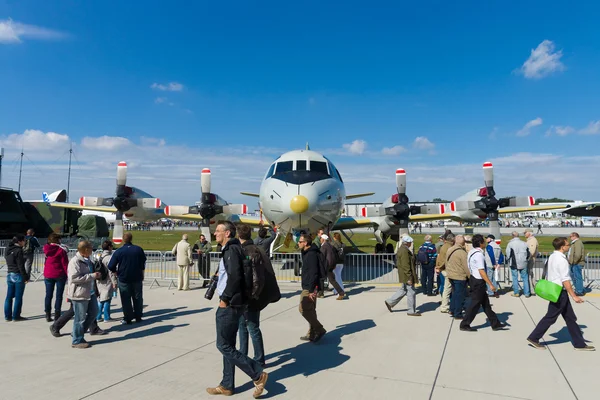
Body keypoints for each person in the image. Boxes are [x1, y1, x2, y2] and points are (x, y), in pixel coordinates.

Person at [206, 221, 268, 397]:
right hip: (236, 303)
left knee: (223, 345)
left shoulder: (231, 250)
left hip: (230, 304)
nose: (215, 233)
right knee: (229, 345)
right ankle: (227, 385)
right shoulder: (234, 249)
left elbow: (235, 277)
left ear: (227, 233)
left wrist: (225, 299)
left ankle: (257, 373)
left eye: (218, 231)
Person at [527, 237, 595, 351]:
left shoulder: (552, 257)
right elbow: (565, 280)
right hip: (560, 292)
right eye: (568, 245)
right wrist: (574, 296)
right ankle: (534, 337)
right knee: (550, 317)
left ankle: (580, 344)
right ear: (563, 247)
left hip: (555, 290)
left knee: (570, 318)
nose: (569, 246)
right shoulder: (562, 260)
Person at [236, 224, 280, 368]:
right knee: (243, 326)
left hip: (250, 298)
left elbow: (256, 279)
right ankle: (243, 354)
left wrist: (252, 296)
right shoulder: (259, 247)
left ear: (238, 235)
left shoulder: (250, 250)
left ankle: (259, 359)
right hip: (247, 297)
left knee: (252, 327)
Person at [460, 235, 506, 332]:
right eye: (483, 242)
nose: (485, 243)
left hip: (473, 278)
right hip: (478, 281)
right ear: (481, 243)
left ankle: (495, 323)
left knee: (486, 304)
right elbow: (481, 271)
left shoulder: (471, 252)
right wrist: (490, 284)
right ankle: (464, 324)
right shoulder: (479, 255)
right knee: (474, 304)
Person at [68, 240, 102, 349]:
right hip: (79, 293)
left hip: (89, 292)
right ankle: (77, 340)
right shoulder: (75, 262)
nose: (92, 250)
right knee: (80, 318)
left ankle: (78, 332)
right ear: (86, 250)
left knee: (94, 312)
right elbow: (74, 278)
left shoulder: (87, 260)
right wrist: (92, 276)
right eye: (91, 249)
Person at [108, 232, 146, 324]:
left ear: (123, 240)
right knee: (137, 297)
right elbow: (143, 261)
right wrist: (141, 271)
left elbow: (111, 265)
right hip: (137, 277)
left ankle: (128, 317)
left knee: (126, 298)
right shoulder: (138, 249)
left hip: (124, 277)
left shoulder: (119, 251)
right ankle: (138, 316)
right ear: (131, 239)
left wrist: (115, 272)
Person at [297, 233, 327, 342]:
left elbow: (314, 273)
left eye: (300, 241)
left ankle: (319, 329)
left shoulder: (311, 255)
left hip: (310, 287)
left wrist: (311, 290)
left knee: (303, 309)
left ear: (305, 243)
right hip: (311, 285)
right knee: (311, 310)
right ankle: (311, 333)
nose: (298, 243)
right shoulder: (306, 252)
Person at [384, 235, 421, 316]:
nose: (411, 243)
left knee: (403, 290)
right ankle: (411, 311)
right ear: (406, 243)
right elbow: (406, 265)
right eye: (410, 242)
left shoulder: (403, 249)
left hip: (404, 274)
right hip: (406, 275)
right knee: (411, 292)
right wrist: (409, 277)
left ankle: (390, 302)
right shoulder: (404, 251)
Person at [43, 233, 69, 322]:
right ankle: (57, 314)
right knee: (59, 295)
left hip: (48, 274)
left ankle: (47, 314)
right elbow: (65, 264)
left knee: (48, 295)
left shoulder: (46, 249)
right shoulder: (61, 250)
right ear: (58, 240)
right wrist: (68, 275)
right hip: (59, 274)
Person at [4, 235, 28, 322]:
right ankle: (16, 316)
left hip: (10, 274)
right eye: (24, 241)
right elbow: (20, 265)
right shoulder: (19, 250)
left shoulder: (7, 248)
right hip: (18, 274)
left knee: (9, 297)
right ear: (19, 241)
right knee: (18, 297)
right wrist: (25, 277)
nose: (25, 242)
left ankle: (7, 316)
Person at [446, 235, 469, 319]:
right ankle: (458, 313)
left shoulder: (450, 249)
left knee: (454, 294)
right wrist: (470, 276)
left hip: (451, 275)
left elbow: (446, 261)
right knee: (460, 295)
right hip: (460, 276)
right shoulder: (462, 252)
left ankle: (452, 309)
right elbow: (466, 266)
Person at [96, 240, 118, 322]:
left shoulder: (100, 256)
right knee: (107, 299)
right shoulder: (108, 258)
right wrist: (114, 282)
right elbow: (111, 271)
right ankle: (106, 317)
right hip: (107, 280)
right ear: (109, 247)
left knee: (101, 299)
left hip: (100, 280)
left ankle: (98, 316)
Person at [320, 234, 346, 300]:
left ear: (323, 239)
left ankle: (321, 293)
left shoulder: (324, 247)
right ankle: (341, 292)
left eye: (321, 238)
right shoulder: (330, 246)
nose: (320, 239)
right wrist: (333, 264)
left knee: (321, 279)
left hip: (326, 265)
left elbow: (322, 257)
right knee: (332, 280)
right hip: (331, 265)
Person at [505, 231, 531, 297]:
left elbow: (508, 254)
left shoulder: (510, 244)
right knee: (525, 278)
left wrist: (508, 260)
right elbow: (528, 253)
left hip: (514, 263)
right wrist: (526, 259)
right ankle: (527, 293)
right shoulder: (524, 243)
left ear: (512, 236)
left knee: (515, 278)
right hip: (523, 262)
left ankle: (516, 292)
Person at [437, 233, 455, 313]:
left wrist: (438, 267)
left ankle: (446, 305)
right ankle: (445, 306)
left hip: (443, 269)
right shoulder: (449, 247)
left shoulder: (444, 246)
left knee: (445, 288)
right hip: (447, 270)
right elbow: (446, 260)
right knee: (447, 289)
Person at [568, 232, 586, 296]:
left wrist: (573, 261)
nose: (570, 238)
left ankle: (579, 291)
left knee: (577, 277)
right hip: (574, 263)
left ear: (575, 236)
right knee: (574, 277)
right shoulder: (574, 243)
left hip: (576, 263)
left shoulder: (577, 243)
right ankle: (579, 289)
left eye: (570, 236)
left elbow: (578, 254)